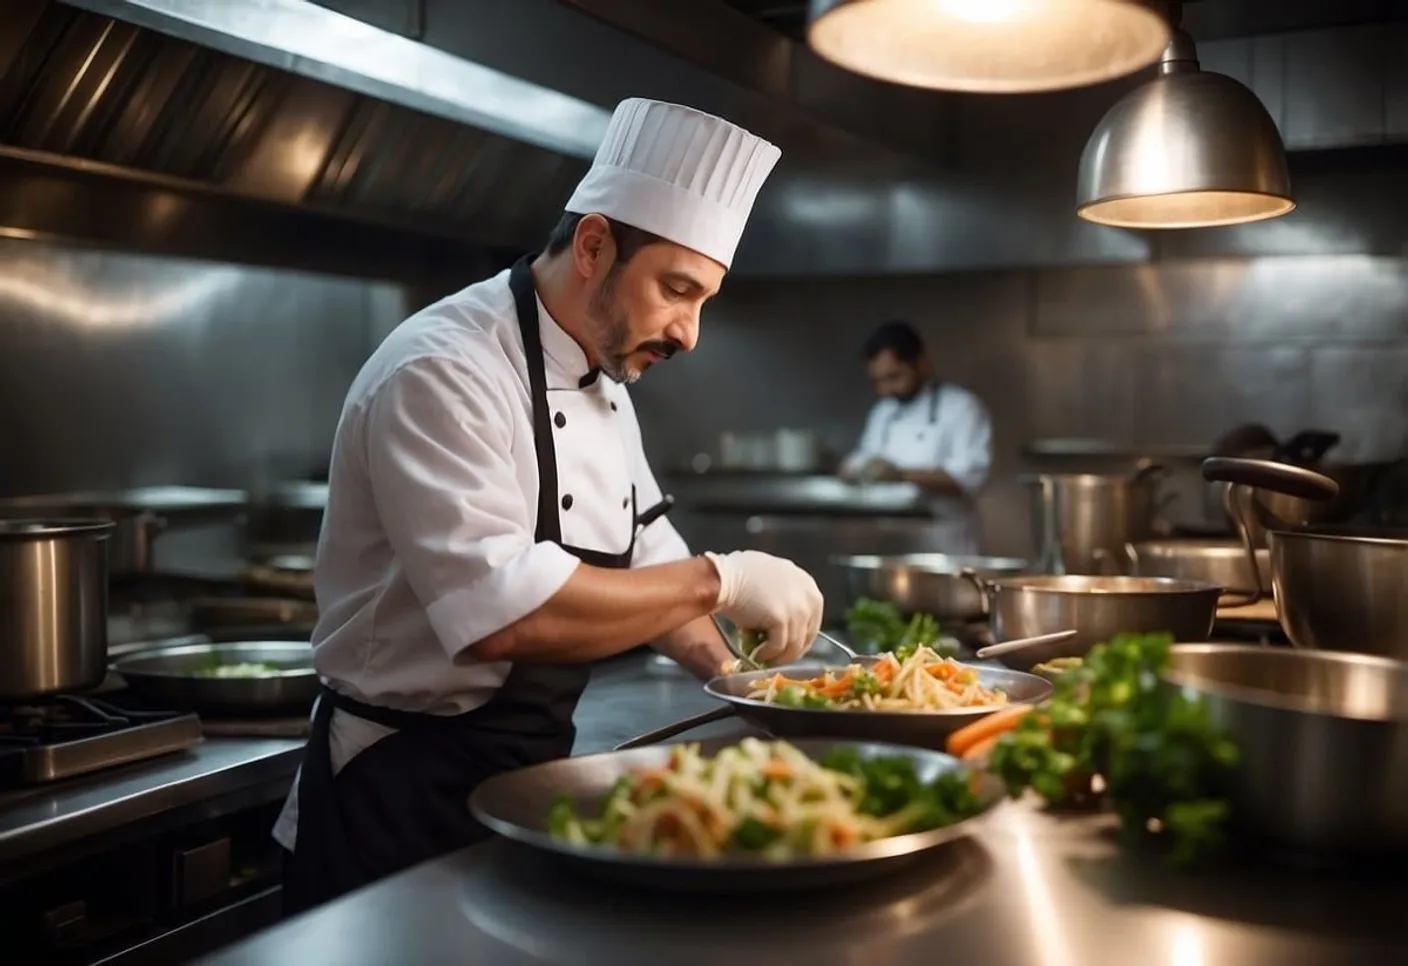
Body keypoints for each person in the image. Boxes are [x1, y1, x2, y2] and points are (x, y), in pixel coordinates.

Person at [275, 97, 824, 914]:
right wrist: (726, 579)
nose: (690, 332)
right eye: (678, 290)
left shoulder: (608, 378)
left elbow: (649, 564)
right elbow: (503, 615)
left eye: (705, 299)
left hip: (522, 787)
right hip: (397, 794)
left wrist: (749, 687)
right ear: (596, 244)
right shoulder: (442, 370)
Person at [839, 320, 993, 500]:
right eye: (878, 381)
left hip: (943, 525)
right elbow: (864, 458)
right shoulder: (883, 411)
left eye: (894, 377)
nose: (885, 390)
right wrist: (851, 469)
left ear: (922, 364)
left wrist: (899, 475)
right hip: (888, 525)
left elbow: (969, 478)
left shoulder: (962, 408)